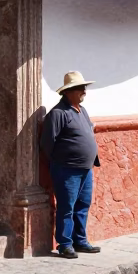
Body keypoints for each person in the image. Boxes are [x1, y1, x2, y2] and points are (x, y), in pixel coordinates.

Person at [40, 71, 102, 259]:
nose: (84, 91)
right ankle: (65, 244)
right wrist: (61, 161)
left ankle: (80, 241)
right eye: (80, 88)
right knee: (67, 206)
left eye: (84, 88)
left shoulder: (81, 111)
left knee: (83, 204)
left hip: (85, 168)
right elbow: (47, 143)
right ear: (68, 92)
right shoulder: (58, 113)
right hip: (66, 170)